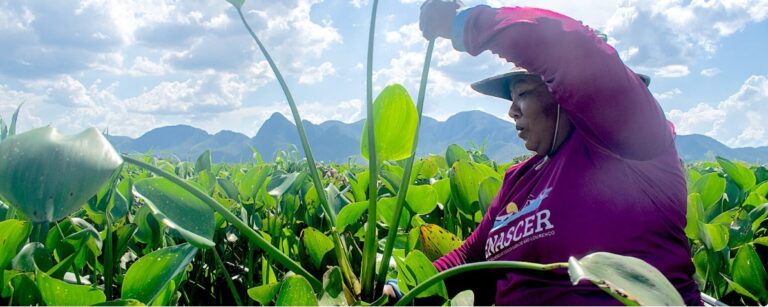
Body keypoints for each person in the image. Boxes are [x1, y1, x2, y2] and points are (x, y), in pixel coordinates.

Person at [386, 1, 702, 305]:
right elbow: (473, 256)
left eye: (523, 93)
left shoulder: (628, 141)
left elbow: (571, 47)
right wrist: (401, 291)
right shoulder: (520, 179)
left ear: (566, 94)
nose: (511, 111)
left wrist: (464, 23)